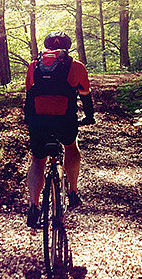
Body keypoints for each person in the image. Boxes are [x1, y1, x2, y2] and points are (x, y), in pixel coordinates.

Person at [24, 31, 95, 228]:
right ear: (68, 47)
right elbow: (85, 95)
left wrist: (28, 121)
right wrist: (89, 117)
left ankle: (34, 206)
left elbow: (29, 95)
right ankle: (73, 192)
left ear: (46, 47)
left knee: (37, 161)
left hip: (38, 121)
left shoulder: (33, 65)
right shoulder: (76, 66)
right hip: (65, 120)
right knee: (71, 147)